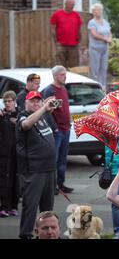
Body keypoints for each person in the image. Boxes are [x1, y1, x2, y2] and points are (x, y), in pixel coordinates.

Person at [16, 91, 58, 239]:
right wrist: (43, 108)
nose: (36, 103)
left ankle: (47, 234)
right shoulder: (23, 115)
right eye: (32, 101)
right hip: (33, 170)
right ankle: (26, 234)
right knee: (31, 206)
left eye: (38, 101)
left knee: (47, 209)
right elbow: (26, 125)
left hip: (49, 169)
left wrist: (49, 108)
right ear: (25, 103)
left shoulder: (44, 116)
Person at [42, 66, 73, 194]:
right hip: (57, 130)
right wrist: (54, 128)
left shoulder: (64, 88)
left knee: (62, 159)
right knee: (53, 159)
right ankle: (52, 186)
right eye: (62, 74)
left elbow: (65, 107)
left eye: (65, 74)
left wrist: (69, 123)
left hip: (66, 129)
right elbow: (46, 112)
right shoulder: (49, 90)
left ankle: (60, 184)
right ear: (55, 76)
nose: (65, 76)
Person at [0, 91, 19, 218]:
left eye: (9, 101)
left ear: (14, 102)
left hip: (17, 153)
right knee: (4, 180)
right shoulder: (1, 115)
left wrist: (16, 122)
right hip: (3, 153)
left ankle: (13, 206)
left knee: (15, 180)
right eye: (5, 101)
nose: (7, 104)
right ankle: (4, 207)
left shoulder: (20, 115)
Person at [50, 0, 82, 68]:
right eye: (71, 4)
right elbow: (53, 29)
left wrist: (78, 41)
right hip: (61, 44)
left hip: (73, 45)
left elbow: (79, 29)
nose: (73, 6)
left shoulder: (76, 15)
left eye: (74, 4)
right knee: (60, 65)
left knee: (73, 66)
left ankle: (72, 79)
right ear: (66, 4)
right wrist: (56, 42)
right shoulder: (57, 14)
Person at [88, 3, 112, 90]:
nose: (99, 12)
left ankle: (103, 87)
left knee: (104, 68)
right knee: (95, 69)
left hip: (105, 48)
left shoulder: (105, 22)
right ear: (93, 12)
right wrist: (105, 39)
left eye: (100, 10)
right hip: (95, 48)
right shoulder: (92, 22)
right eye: (97, 10)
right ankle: (95, 88)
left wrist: (110, 39)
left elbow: (109, 32)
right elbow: (94, 34)